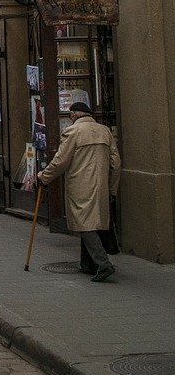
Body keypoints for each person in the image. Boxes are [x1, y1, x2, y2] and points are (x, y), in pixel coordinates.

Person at [38, 101, 121, 281]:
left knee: (86, 224)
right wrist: (112, 189)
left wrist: (44, 176)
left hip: (81, 185)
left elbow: (61, 161)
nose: (71, 118)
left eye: (71, 115)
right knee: (95, 222)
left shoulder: (73, 132)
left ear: (75, 115)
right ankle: (87, 263)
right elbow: (116, 163)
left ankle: (103, 263)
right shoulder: (104, 131)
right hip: (101, 186)